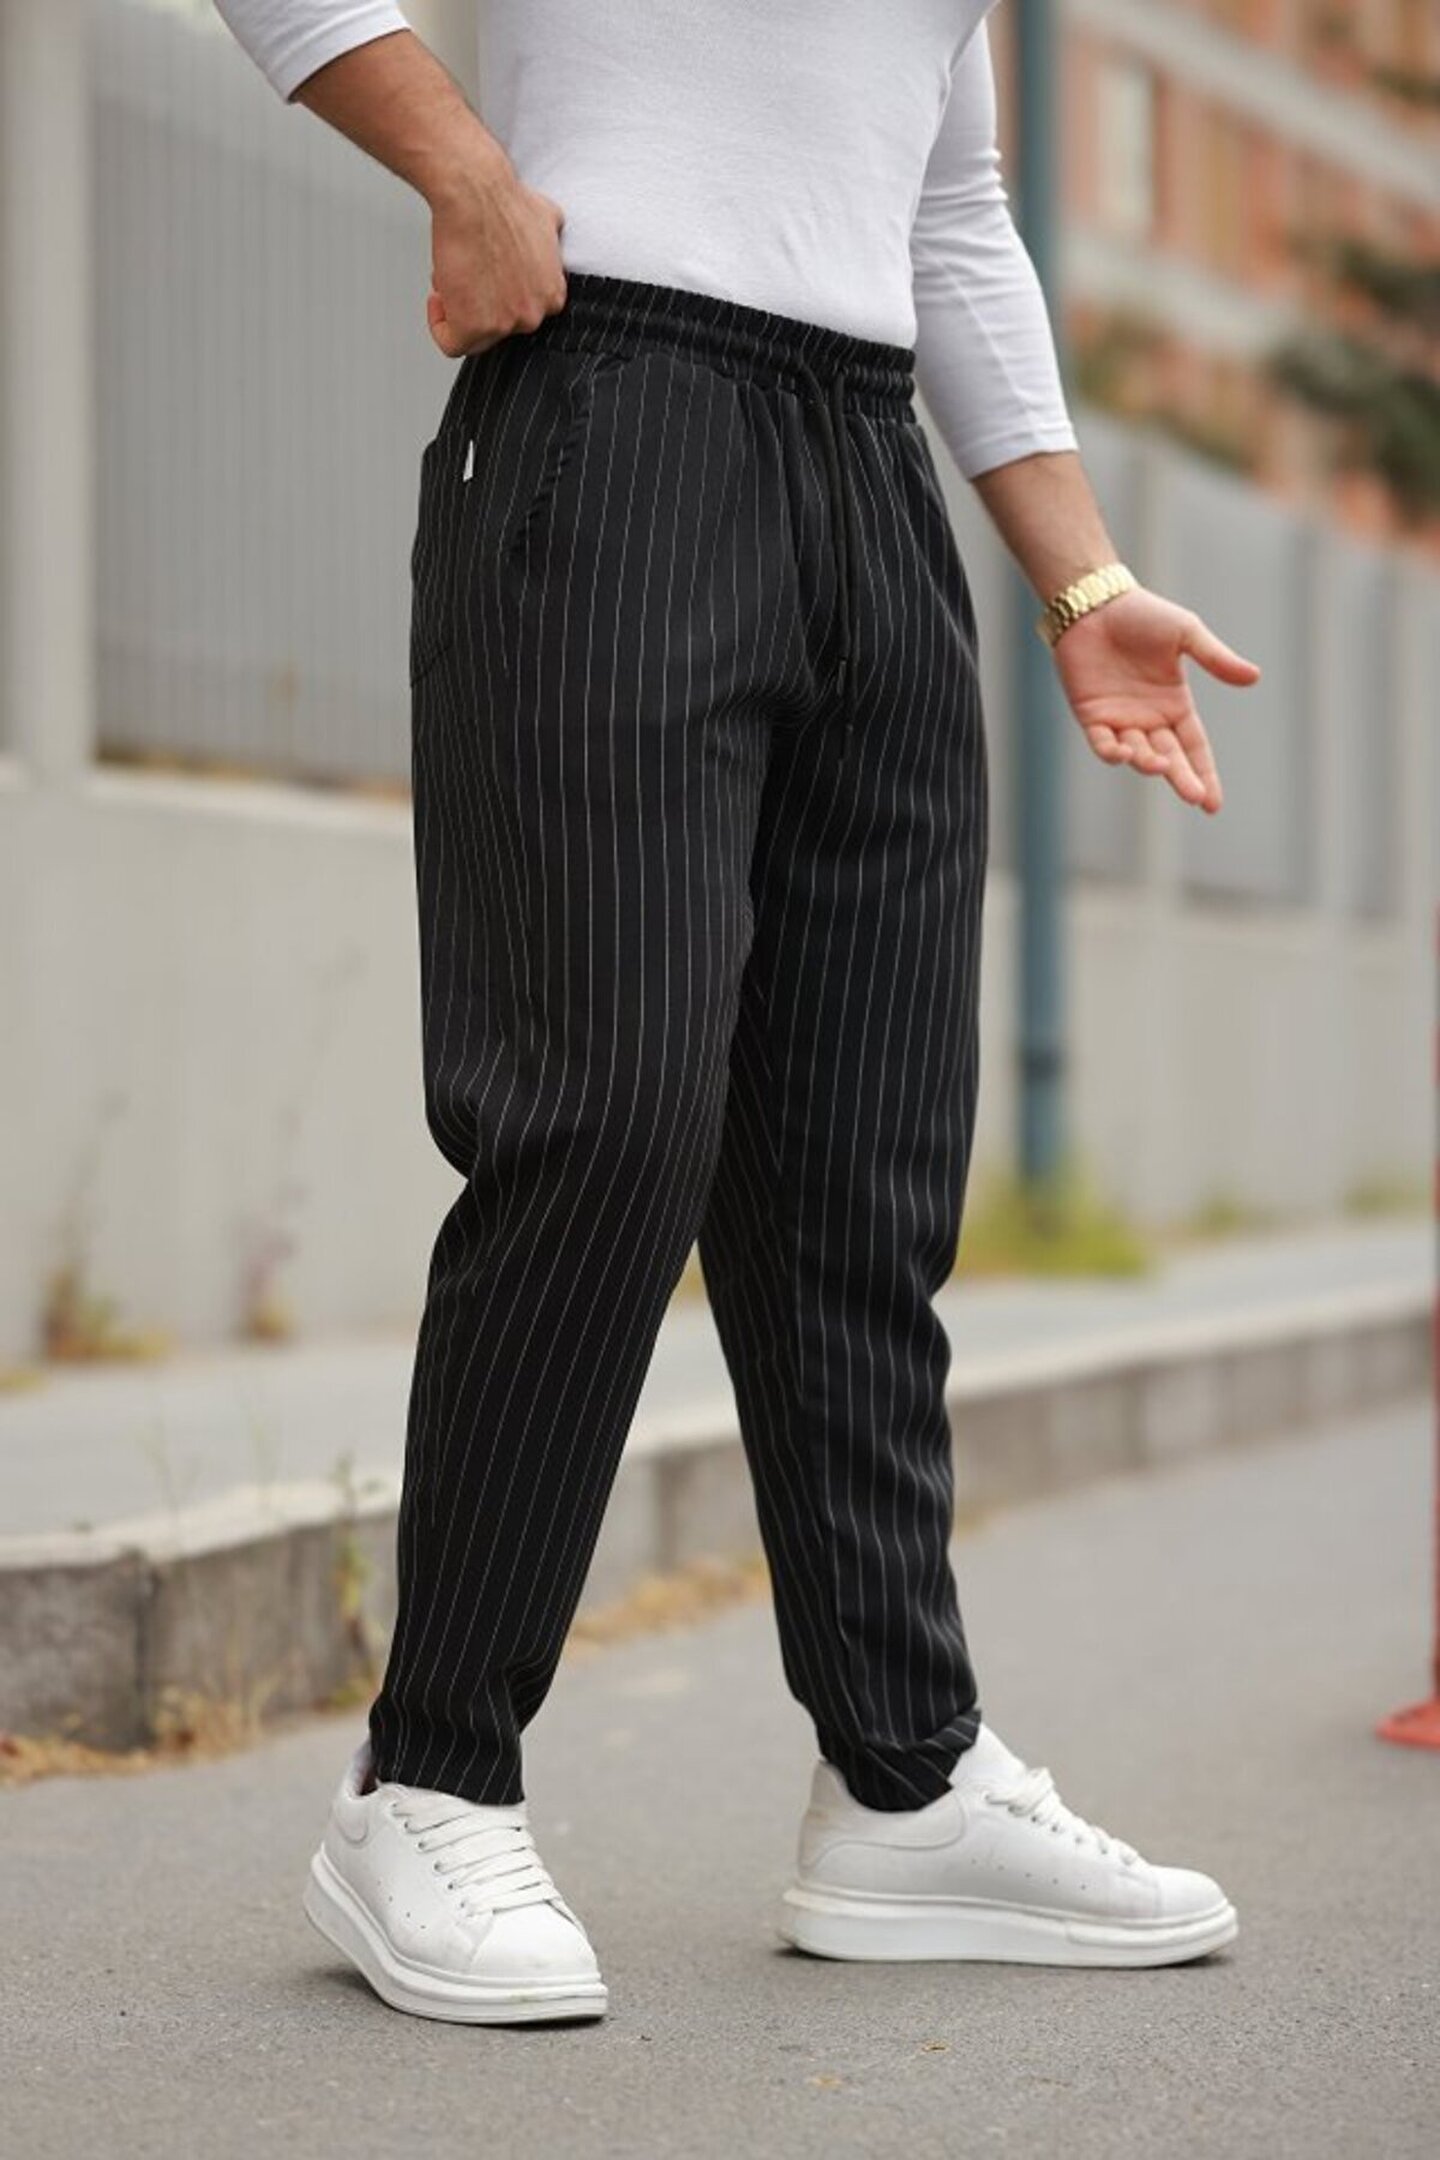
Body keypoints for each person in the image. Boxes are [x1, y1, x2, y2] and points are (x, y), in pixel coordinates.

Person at [213, 0, 1258, 2025]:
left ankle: (905, 1784)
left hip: (873, 475)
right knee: (604, 1114)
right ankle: (430, 1779)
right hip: (614, 412)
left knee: (858, 1173)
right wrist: (461, 168)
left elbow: (948, 206)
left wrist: (1075, 581)